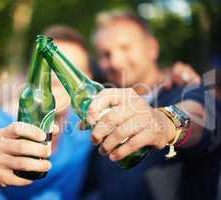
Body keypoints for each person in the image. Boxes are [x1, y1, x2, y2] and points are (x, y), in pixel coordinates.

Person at [81, 10, 218, 200]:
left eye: (125, 47)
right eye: (105, 54)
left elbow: (200, 117)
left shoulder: (185, 89)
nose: (115, 61)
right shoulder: (101, 109)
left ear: (151, 48)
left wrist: (164, 122)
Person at [0, 25, 94, 200]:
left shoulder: (83, 128)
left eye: (68, 68)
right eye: (50, 65)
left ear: (87, 77)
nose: (57, 76)